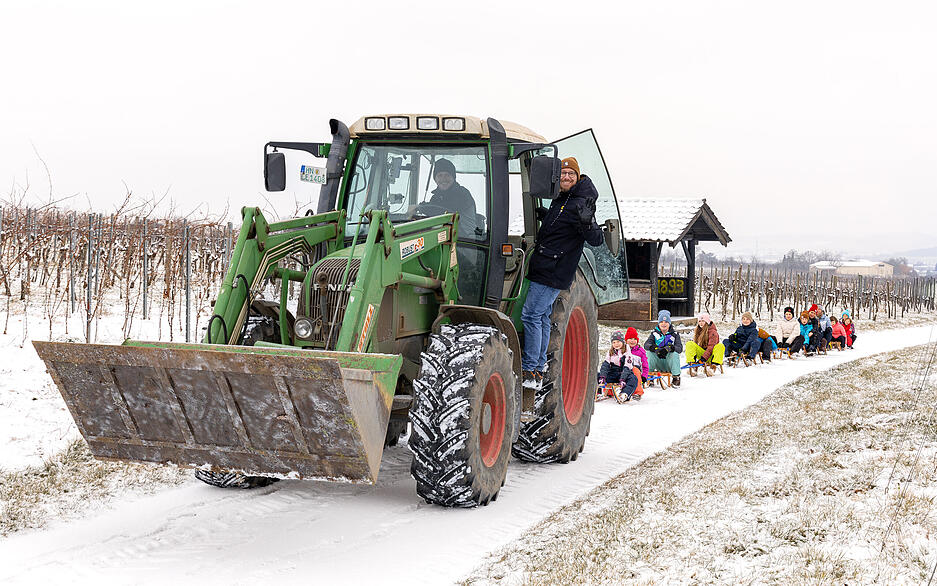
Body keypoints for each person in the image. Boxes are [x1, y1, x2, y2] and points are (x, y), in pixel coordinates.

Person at [521, 157, 604, 386]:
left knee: (531, 315)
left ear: (577, 177)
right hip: (547, 265)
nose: (566, 177)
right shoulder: (563, 199)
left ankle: (530, 368)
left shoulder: (581, 203)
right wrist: (546, 217)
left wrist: (588, 223)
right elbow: (562, 228)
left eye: (571, 174)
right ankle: (537, 368)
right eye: (563, 174)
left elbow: (596, 239)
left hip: (553, 269)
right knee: (542, 316)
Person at [425, 158, 478, 238]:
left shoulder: (462, 193)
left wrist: (420, 207)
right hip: (444, 239)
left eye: (447, 175)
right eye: (440, 175)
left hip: (464, 241)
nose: (443, 179)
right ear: (435, 179)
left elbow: (446, 212)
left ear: (453, 177)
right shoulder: (436, 197)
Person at [597, 330, 641, 402]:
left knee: (633, 379)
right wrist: (602, 376)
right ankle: (598, 393)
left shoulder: (627, 352)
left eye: (618, 342)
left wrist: (623, 379)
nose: (616, 344)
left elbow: (627, 367)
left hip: (624, 373)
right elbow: (605, 365)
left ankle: (624, 394)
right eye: (614, 342)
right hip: (613, 374)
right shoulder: (611, 352)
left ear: (623, 342)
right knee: (597, 375)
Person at [644, 310, 684, 387]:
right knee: (649, 353)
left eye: (666, 322)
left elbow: (679, 348)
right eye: (661, 322)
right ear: (658, 323)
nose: (663, 324)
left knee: (675, 354)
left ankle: (676, 377)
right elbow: (646, 345)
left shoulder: (675, 334)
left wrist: (670, 348)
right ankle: (649, 376)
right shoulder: (654, 334)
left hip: (669, 362)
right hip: (658, 362)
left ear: (669, 323)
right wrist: (655, 348)